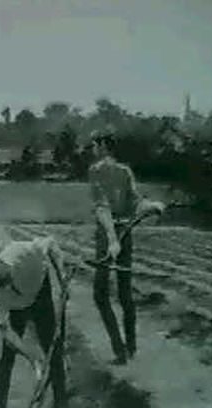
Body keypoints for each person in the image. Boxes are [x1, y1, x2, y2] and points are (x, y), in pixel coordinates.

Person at [0, 234, 71, 408]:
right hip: (17, 306)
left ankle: (61, 405)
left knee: (54, 349)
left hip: (40, 292)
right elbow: (7, 332)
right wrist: (32, 356)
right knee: (6, 358)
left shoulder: (22, 252)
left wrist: (62, 279)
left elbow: (51, 243)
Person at [88, 129, 165, 364]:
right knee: (124, 293)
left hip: (108, 235)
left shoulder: (96, 171)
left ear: (102, 146)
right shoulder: (125, 171)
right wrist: (152, 205)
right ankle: (130, 348)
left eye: (94, 145)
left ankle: (121, 351)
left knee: (100, 295)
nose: (93, 150)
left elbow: (102, 207)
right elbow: (136, 200)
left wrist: (111, 240)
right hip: (125, 232)